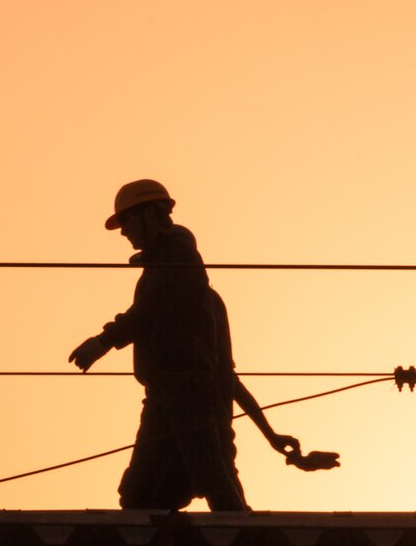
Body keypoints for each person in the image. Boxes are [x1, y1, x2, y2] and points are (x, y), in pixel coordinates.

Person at [68, 179, 302, 512]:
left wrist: (104, 341)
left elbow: (152, 311)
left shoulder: (178, 258)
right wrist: (271, 434)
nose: (123, 233)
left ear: (151, 214)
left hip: (186, 396)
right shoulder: (165, 276)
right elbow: (227, 377)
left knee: (210, 482)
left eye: (127, 221)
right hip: (164, 399)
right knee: (146, 494)